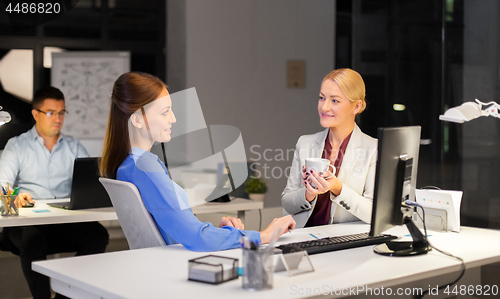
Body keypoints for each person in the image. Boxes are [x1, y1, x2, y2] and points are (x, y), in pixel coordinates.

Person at [100, 72, 295, 251]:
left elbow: (177, 230)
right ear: (137, 120)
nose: (173, 119)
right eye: (165, 112)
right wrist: (264, 235)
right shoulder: (145, 168)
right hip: (180, 264)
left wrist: (224, 233)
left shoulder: (126, 164)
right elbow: (196, 238)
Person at [0, 87, 109, 299]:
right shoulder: (17, 146)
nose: (57, 118)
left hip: (63, 220)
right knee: (33, 241)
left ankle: (64, 295)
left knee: (98, 235)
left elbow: (88, 182)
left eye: (61, 113)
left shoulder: (74, 146)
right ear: (35, 114)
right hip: (27, 225)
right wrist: (14, 197)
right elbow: (1, 184)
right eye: (51, 112)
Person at [281, 68, 377, 228]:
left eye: (335, 101)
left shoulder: (374, 149)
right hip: (304, 237)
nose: (324, 107)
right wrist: (308, 194)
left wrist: (338, 188)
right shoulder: (305, 143)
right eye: (321, 98)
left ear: (356, 106)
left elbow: (374, 213)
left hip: (343, 242)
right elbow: (287, 203)